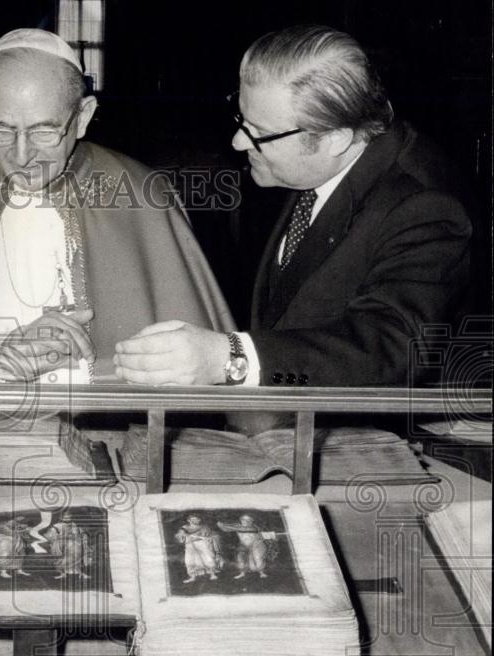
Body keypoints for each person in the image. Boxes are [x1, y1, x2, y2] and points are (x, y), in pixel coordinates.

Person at [0, 28, 234, 383]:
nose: (22, 155)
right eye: (1, 129)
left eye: (43, 131)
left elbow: (191, 378)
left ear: (84, 117)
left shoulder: (143, 200)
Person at [114, 25, 471, 388]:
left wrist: (230, 357)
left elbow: (392, 346)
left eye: (258, 132)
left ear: (335, 139)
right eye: (241, 120)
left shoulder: (424, 205)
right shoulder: (299, 165)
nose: (238, 142)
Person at [218, 514, 275, 580]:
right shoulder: (238, 526)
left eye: (245, 521)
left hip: (255, 545)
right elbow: (226, 528)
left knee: (257, 558)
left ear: (250, 521)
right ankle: (242, 573)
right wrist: (219, 523)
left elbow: (262, 535)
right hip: (243, 545)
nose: (243, 522)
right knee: (240, 558)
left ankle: (261, 573)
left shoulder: (255, 527)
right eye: (242, 520)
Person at [175, 514, 222, 583]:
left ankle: (212, 574)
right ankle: (192, 577)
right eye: (193, 519)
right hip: (190, 545)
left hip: (202, 544)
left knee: (208, 558)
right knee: (190, 560)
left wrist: (205, 538)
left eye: (196, 519)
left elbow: (209, 535)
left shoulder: (204, 527)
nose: (195, 520)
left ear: (199, 520)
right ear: (189, 520)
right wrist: (182, 536)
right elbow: (180, 536)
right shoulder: (184, 527)